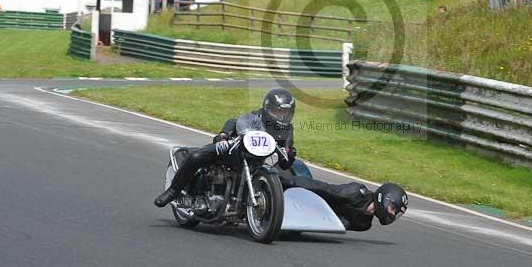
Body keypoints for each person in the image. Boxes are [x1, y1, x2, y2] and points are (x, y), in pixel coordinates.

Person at [155, 89, 297, 207]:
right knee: (197, 156)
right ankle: (173, 191)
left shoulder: (287, 130)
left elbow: (284, 164)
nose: (283, 117)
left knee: (284, 177)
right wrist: (223, 136)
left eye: (286, 113)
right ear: (268, 108)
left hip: (256, 162)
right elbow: (234, 122)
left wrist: (290, 155)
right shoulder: (255, 117)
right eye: (279, 112)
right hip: (232, 151)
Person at [280, 176, 408, 231]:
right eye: (393, 208)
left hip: (310, 216)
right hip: (307, 198)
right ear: (384, 197)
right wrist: (286, 182)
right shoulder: (355, 193)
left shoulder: (364, 224)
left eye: (395, 213)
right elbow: (324, 188)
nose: (392, 213)